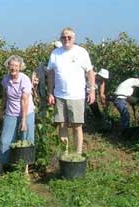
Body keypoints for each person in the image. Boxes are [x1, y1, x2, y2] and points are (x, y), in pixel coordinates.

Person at [47, 27, 95, 155]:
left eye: (69, 37)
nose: (66, 39)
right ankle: (65, 154)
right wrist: (50, 92)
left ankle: (78, 154)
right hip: (59, 95)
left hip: (77, 96)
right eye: (63, 37)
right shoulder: (55, 53)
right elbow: (51, 74)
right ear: (60, 39)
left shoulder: (81, 52)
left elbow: (90, 72)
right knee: (62, 125)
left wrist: (92, 91)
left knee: (76, 126)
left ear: (74, 39)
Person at [0, 55, 35, 175]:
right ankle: (1, 166)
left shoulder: (25, 80)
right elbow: (5, 95)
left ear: (20, 67)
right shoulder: (6, 79)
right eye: (11, 65)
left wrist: (23, 120)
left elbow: (25, 100)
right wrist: (2, 109)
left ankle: (25, 169)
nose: (14, 68)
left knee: (26, 139)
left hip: (26, 113)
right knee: (5, 140)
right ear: (8, 66)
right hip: (11, 112)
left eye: (16, 66)